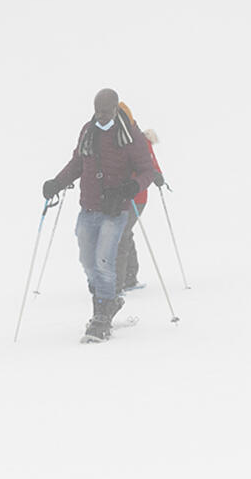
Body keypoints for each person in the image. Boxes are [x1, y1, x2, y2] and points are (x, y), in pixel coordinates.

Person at [42, 89, 155, 343]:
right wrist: (56, 183)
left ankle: (101, 317)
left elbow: (146, 170)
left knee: (105, 261)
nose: (101, 116)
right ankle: (108, 300)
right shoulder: (88, 131)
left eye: (106, 111)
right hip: (89, 207)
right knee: (87, 260)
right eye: (97, 111)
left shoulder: (130, 136)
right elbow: (78, 163)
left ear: (116, 109)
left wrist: (133, 187)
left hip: (116, 210)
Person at [116, 121, 164, 293]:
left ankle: (120, 283)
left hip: (136, 197)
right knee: (124, 233)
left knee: (122, 235)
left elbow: (152, 168)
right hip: (121, 197)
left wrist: (155, 176)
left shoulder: (140, 143)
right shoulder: (118, 139)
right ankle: (129, 277)